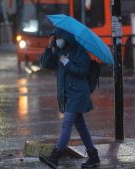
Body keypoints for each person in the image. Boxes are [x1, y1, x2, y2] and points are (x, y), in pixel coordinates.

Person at [38, 27, 100, 168]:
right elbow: (46, 64)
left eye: (59, 37)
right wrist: (49, 46)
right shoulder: (60, 51)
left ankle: (55, 157)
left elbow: (83, 71)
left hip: (78, 93)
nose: (58, 40)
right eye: (56, 38)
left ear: (67, 38)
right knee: (81, 127)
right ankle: (93, 155)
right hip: (67, 94)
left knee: (67, 123)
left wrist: (68, 63)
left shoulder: (80, 52)